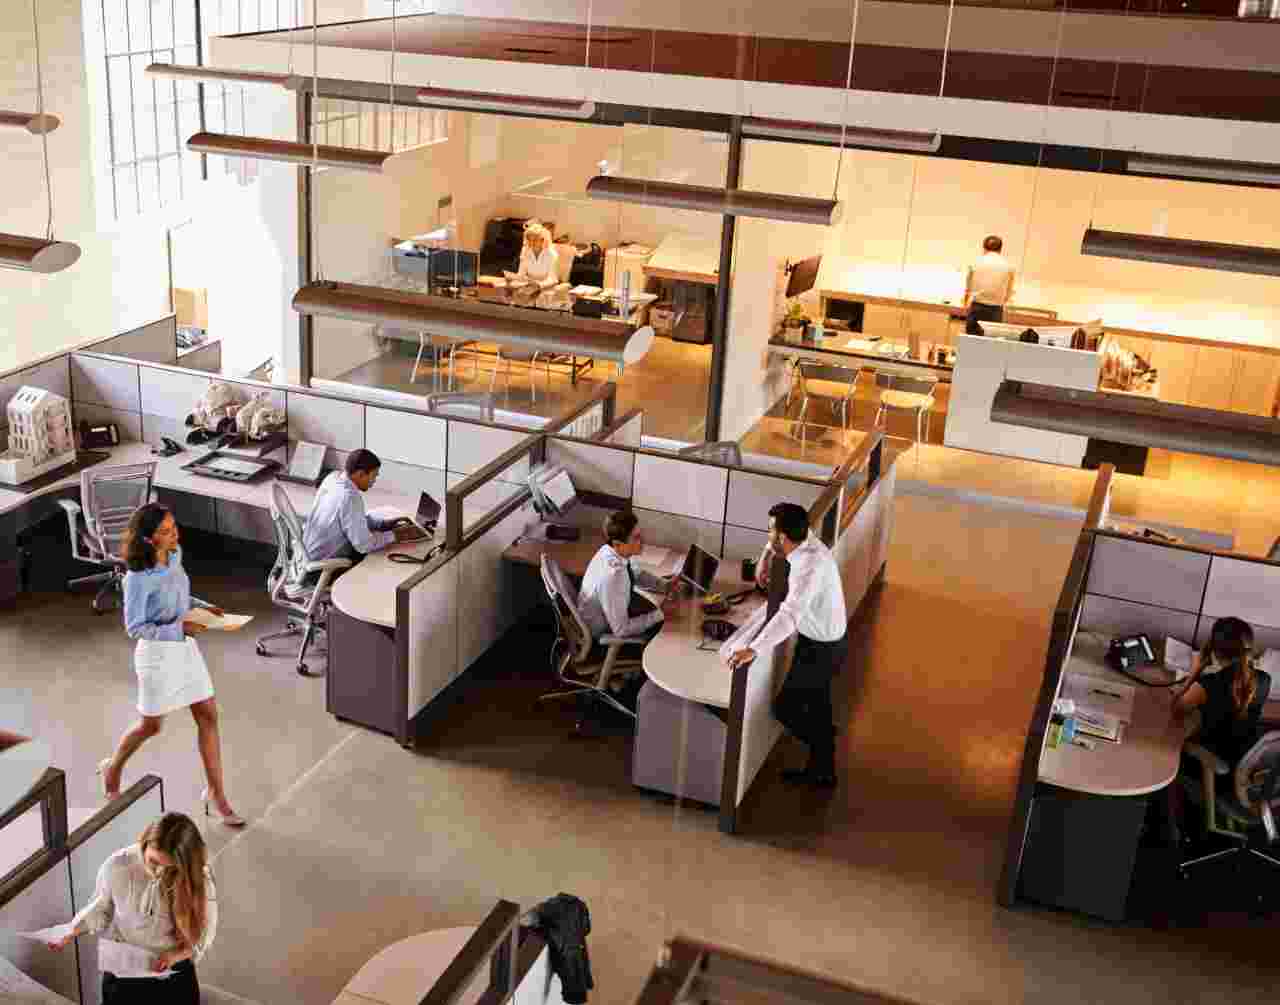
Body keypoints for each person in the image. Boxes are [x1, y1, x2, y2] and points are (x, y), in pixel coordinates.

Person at [97, 504, 244, 827]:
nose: (174, 534)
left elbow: (179, 600)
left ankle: (217, 794)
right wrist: (179, 629)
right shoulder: (137, 579)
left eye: (174, 526)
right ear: (149, 540)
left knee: (208, 715)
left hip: (184, 649)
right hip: (156, 655)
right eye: (165, 532)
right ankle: (113, 769)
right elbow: (135, 627)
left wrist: (205, 608)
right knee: (151, 726)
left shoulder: (175, 556)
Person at [726, 502, 847, 787]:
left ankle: (824, 747)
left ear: (782, 537)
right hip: (824, 639)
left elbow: (790, 615)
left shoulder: (808, 567)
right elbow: (776, 545)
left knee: (786, 709)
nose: (767, 535)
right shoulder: (806, 541)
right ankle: (823, 769)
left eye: (770, 532)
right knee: (819, 708)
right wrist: (767, 555)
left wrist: (754, 648)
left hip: (822, 648)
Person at [50, 812, 216, 1003]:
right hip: (124, 971)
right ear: (145, 844)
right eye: (154, 862)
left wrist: (176, 955)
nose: (159, 872)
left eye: (170, 868)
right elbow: (101, 909)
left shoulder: (198, 879)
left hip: (173, 971)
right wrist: (72, 930)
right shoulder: (117, 866)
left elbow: (202, 936)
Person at [1174, 616, 1272, 764]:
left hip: (1209, 764)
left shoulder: (1207, 685)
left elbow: (1176, 710)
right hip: (1243, 762)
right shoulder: (1265, 679)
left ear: (1215, 652)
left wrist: (1195, 670)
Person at [303, 449, 424, 563]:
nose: (374, 481)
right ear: (361, 474)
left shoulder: (333, 478)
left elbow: (352, 520)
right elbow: (363, 545)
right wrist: (397, 535)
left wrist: (383, 524)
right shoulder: (349, 497)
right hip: (322, 568)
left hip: (305, 559)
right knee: (381, 561)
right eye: (374, 476)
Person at [578, 510, 677, 645]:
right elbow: (621, 630)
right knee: (671, 633)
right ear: (618, 543)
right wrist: (661, 614)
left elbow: (635, 572)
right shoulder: (613, 576)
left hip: (613, 615)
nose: (642, 541)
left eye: (640, 535)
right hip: (604, 633)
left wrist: (663, 585)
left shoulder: (609, 551)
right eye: (636, 538)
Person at [963, 234, 1015, 335]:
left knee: (971, 343)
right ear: (1000, 249)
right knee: (990, 344)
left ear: (984, 248)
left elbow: (968, 288)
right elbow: (1009, 292)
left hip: (976, 308)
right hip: (995, 310)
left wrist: (966, 302)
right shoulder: (1008, 266)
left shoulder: (975, 262)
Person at [512, 222, 560, 290]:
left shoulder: (551, 254)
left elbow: (553, 279)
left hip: (545, 288)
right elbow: (521, 274)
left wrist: (539, 285)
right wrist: (515, 280)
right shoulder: (525, 251)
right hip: (528, 287)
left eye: (535, 240)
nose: (531, 243)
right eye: (529, 239)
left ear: (542, 240)